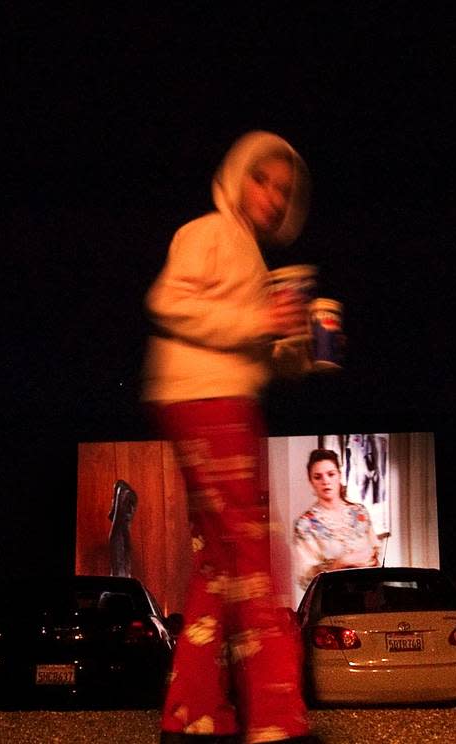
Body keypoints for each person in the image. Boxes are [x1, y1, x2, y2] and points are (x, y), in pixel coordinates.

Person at [142, 131, 318, 744]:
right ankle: (276, 718)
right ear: (236, 174)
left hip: (220, 397)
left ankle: (192, 715)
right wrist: (257, 320)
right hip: (205, 399)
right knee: (253, 556)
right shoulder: (208, 233)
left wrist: (298, 348)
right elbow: (166, 301)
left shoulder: (253, 258)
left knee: (219, 565)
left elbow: (259, 351)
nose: (271, 196)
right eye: (261, 179)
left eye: (283, 190)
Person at [293, 449, 381, 592]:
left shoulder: (360, 513)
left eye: (331, 474)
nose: (325, 481)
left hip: (370, 596)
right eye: (317, 477)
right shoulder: (305, 524)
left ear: (339, 476)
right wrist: (342, 562)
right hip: (332, 600)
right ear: (311, 482)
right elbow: (305, 579)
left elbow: (375, 555)